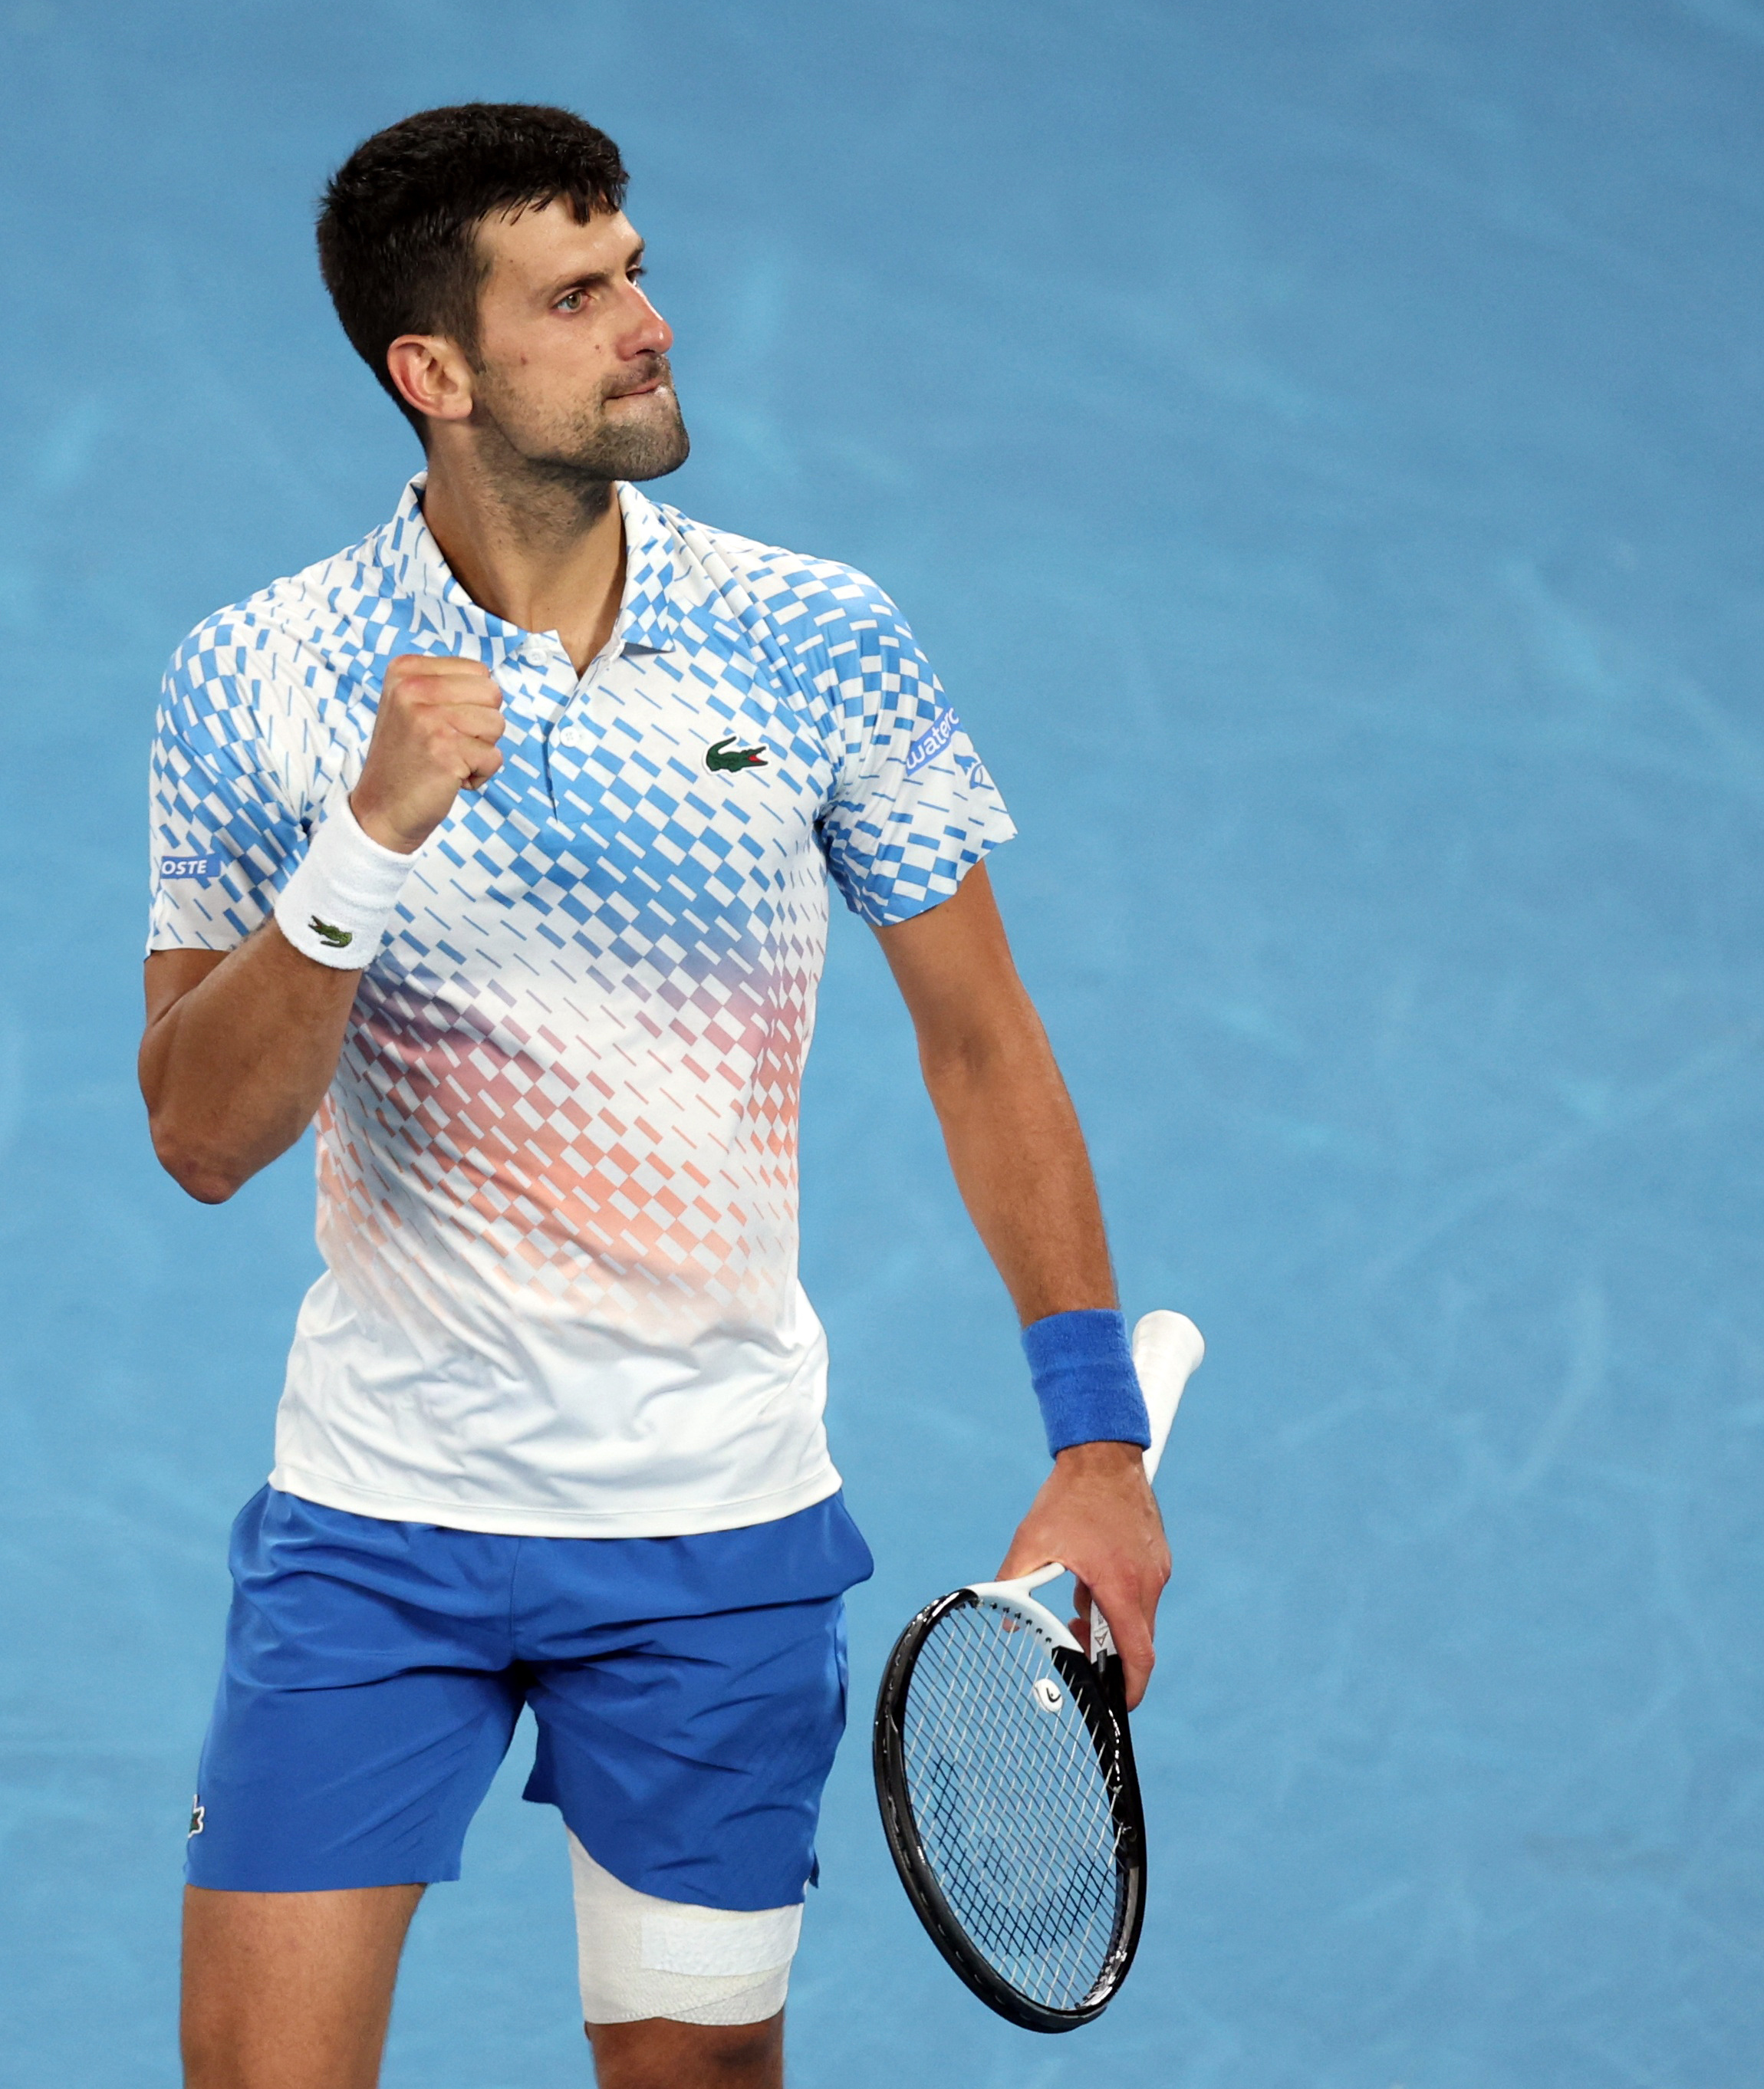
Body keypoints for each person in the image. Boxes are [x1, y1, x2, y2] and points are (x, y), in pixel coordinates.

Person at [137, 102, 1169, 2089]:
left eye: (635, 270)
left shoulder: (816, 640)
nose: (651, 322)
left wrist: (1094, 1438)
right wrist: (363, 846)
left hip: (713, 1535)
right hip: (378, 1526)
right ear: (430, 374)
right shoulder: (257, 677)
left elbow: (983, 1042)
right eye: (578, 294)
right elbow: (199, 1134)